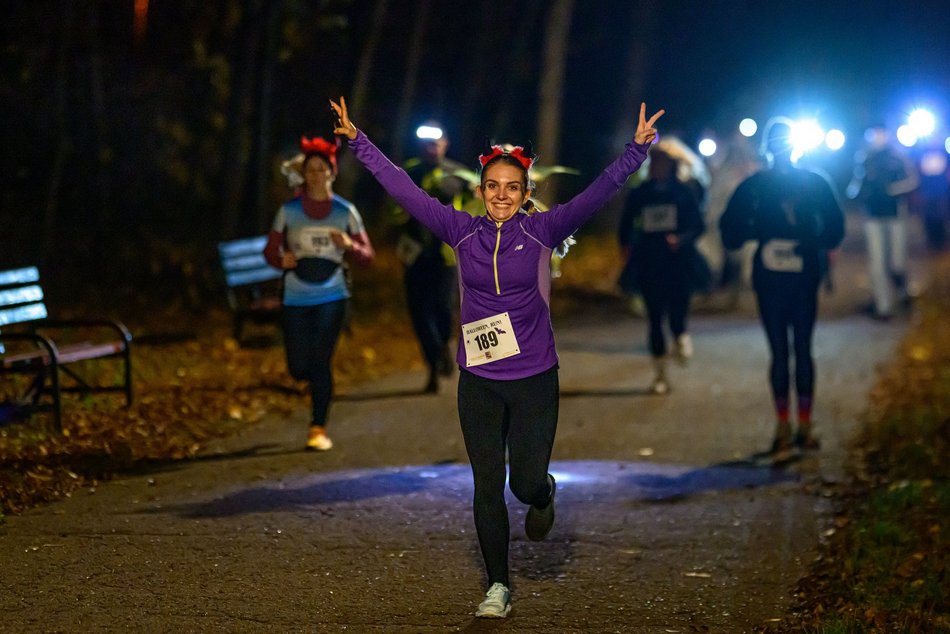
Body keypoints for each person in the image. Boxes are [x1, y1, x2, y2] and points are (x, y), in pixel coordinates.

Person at [331, 96, 663, 618]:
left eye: (512, 188)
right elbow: (403, 187)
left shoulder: (543, 229)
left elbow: (599, 193)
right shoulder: (461, 231)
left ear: (525, 191)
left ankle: (544, 492)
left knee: (522, 483)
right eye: (493, 187)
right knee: (486, 485)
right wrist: (357, 141)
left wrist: (636, 151)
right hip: (479, 380)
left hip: (534, 377)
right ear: (481, 190)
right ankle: (498, 587)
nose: (502, 196)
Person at [720, 117, 845, 455]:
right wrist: (811, 242)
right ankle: (796, 425)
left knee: (786, 350)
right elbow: (835, 227)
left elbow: (729, 230)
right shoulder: (812, 182)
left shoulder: (758, 185)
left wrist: (760, 235)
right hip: (795, 274)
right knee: (798, 348)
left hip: (779, 275)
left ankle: (790, 426)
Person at [262, 136, 375, 451]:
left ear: (332, 173)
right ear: (304, 174)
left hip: (332, 294)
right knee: (299, 366)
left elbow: (368, 255)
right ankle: (313, 390)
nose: (315, 175)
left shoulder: (345, 211)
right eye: (310, 170)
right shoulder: (289, 211)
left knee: (320, 360)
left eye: (321, 170)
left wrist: (350, 245)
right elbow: (270, 250)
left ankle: (318, 427)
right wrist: (280, 258)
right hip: (296, 294)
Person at [619, 141, 705, 394]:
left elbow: (698, 225)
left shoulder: (684, 192)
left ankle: (681, 336)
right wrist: (625, 245)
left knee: (678, 312)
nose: (658, 167)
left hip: (679, 263)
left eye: (663, 163)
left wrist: (681, 239)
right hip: (649, 261)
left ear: (672, 165)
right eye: (654, 163)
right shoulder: (640, 193)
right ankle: (660, 375)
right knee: (655, 319)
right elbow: (626, 224)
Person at [392, 123, 471, 393]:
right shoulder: (408, 172)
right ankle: (434, 361)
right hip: (415, 253)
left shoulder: (458, 174)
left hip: (446, 254)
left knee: (441, 308)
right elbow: (394, 210)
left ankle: (441, 351)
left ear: (445, 144)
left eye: (436, 142)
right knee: (418, 311)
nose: (431, 147)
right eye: (426, 143)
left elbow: (477, 207)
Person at [846, 124, 919, 319]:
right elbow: (855, 184)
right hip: (872, 215)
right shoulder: (864, 158)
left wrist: (892, 190)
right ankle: (883, 307)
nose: (877, 137)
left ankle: (903, 293)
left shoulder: (897, 157)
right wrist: (856, 193)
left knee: (897, 262)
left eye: (880, 134)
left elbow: (913, 180)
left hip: (895, 214)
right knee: (877, 264)